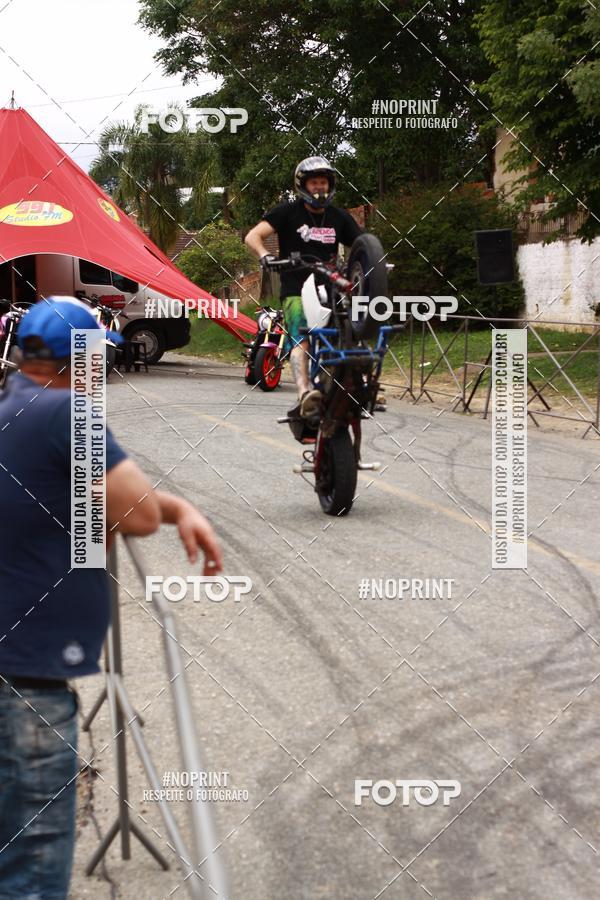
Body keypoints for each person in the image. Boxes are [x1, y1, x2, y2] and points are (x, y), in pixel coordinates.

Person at [0, 298, 222, 900]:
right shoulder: (66, 412)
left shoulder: (14, 409)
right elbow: (139, 512)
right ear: (81, 360)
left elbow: (113, 499)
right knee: (32, 876)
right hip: (28, 688)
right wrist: (159, 511)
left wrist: (177, 506)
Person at [245, 156, 362, 416]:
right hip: (297, 287)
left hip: (332, 289)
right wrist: (265, 256)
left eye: (323, 182)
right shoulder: (287, 212)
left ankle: (356, 387)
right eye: (314, 183)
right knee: (301, 338)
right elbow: (253, 236)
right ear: (303, 186)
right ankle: (304, 392)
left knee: (349, 335)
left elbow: (363, 244)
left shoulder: (339, 217)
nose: (319, 187)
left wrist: (371, 265)